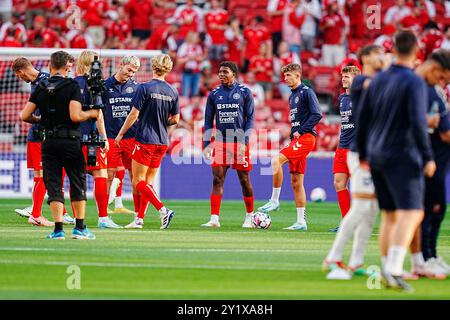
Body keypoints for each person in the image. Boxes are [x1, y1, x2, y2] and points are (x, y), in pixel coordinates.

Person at [356, 30, 436, 291]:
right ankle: (393, 268)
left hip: (376, 154)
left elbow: (363, 117)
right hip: (402, 154)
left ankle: (386, 270)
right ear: (416, 50)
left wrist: (364, 154)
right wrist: (427, 156)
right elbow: (417, 121)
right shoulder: (413, 81)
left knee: (389, 214)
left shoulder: (376, 79)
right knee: (413, 211)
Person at [20, 50, 98, 240]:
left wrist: (41, 119)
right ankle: (79, 228)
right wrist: (91, 114)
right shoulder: (72, 86)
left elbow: (24, 116)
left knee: (54, 185)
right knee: (76, 182)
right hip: (70, 140)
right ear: (67, 67)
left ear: (50, 65)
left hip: (48, 142)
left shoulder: (41, 87)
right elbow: (75, 116)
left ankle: (57, 230)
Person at [323, 44, 385, 279]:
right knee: (362, 206)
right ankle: (334, 257)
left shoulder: (368, 85)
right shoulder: (362, 85)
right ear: (367, 58)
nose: (344, 79)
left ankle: (355, 261)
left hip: (368, 152)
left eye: (347, 75)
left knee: (370, 209)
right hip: (359, 153)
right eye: (377, 54)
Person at [115, 54, 179, 229]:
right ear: (168, 69)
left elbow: (134, 114)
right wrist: (160, 122)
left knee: (137, 181)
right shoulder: (172, 91)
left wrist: (120, 134)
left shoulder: (144, 88)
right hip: (162, 141)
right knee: (147, 183)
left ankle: (163, 210)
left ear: (153, 67)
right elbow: (175, 120)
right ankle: (139, 220)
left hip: (145, 139)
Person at [258, 63, 322, 230]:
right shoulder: (292, 96)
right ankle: (301, 222)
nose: (285, 79)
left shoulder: (307, 92)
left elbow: (317, 114)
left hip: (306, 138)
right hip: (297, 139)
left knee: (275, 161)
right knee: (296, 181)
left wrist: (300, 131)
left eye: (288, 76)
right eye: (284, 76)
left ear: (298, 76)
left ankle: (274, 200)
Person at [12, 57, 75, 226]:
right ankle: (36, 213)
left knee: (46, 175)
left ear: (22, 71)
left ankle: (40, 212)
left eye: (19, 76)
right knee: (42, 175)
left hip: (44, 135)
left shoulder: (46, 81)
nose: (20, 79)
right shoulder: (37, 83)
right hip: (37, 135)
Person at [201, 61, 255, 228]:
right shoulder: (214, 94)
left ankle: (250, 217)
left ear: (234, 74)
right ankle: (214, 219)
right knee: (217, 179)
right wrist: (206, 144)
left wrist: (244, 142)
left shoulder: (245, 92)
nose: (221, 74)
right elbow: (208, 121)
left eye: (225, 71)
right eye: (220, 72)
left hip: (238, 141)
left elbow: (250, 119)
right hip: (220, 142)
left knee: (244, 180)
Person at [74, 50, 122, 229]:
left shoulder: (71, 83)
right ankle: (103, 218)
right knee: (100, 174)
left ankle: (78, 220)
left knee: (76, 178)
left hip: (72, 139)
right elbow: (98, 114)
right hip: (91, 138)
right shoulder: (94, 85)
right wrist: (104, 138)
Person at [414, 49, 450, 278]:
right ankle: (426, 257)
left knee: (435, 209)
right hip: (431, 160)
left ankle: (431, 255)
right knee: (431, 209)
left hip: (437, 159)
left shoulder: (433, 90)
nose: (444, 82)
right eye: (444, 77)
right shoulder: (426, 91)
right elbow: (444, 133)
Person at [103, 55, 141, 214]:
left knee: (135, 175)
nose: (131, 74)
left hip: (131, 137)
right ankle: (103, 211)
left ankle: (139, 214)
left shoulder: (137, 88)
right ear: (121, 65)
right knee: (109, 174)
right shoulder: (104, 86)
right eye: (129, 70)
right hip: (111, 136)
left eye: (134, 71)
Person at [329, 65, 361, 233]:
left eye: (347, 77)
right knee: (339, 183)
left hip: (356, 149)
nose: (343, 79)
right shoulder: (342, 98)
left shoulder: (362, 98)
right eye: (343, 76)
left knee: (358, 186)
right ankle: (346, 222)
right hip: (342, 148)